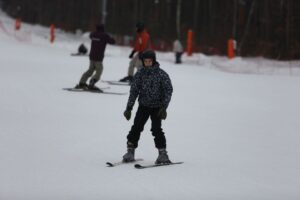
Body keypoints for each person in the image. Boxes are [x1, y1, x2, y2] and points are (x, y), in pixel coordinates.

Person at [122, 50, 173, 164]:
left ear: (153, 61)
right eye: (145, 61)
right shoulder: (140, 74)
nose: (147, 63)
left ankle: (162, 153)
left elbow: (168, 90)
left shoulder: (161, 74)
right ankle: (130, 151)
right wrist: (129, 108)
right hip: (143, 106)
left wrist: (164, 107)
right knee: (136, 127)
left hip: (157, 108)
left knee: (156, 129)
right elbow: (134, 91)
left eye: (150, 61)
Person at [75, 24, 115, 91]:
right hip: (98, 57)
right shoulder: (104, 35)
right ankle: (92, 83)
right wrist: (111, 37)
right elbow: (112, 42)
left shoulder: (93, 34)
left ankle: (82, 83)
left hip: (92, 56)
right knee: (99, 71)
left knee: (90, 70)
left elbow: (90, 35)